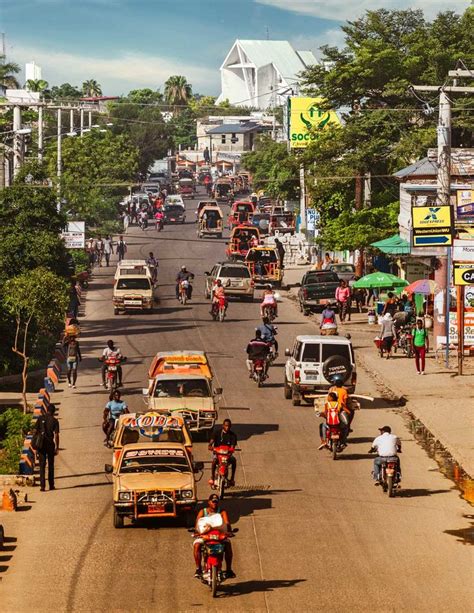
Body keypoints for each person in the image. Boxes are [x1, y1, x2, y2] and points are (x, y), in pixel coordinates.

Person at [193, 494, 235, 579]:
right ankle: (198, 569)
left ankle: (229, 570)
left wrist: (229, 531)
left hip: (219, 536)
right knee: (197, 545)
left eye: (216, 501)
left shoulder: (222, 512)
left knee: (228, 545)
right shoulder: (203, 511)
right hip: (205, 535)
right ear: (209, 502)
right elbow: (197, 524)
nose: (214, 503)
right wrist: (197, 532)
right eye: (213, 501)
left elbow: (227, 523)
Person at [34, 404, 59, 492]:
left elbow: (35, 431)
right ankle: (51, 485)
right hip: (50, 445)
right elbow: (56, 435)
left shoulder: (40, 418)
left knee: (42, 465)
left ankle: (42, 486)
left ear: (46, 410)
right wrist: (57, 447)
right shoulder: (55, 421)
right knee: (51, 465)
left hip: (41, 445)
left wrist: (36, 445)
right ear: (54, 412)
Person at [208, 419, 237, 486]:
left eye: (229, 426)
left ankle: (232, 478)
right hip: (218, 454)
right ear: (223, 425)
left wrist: (231, 450)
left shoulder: (233, 435)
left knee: (234, 460)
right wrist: (210, 446)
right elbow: (211, 441)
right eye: (226, 426)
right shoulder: (217, 433)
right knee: (214, 461)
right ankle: (212, 477)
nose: (227, 427)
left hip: (227, 455)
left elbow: (232, 446)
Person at [328, 375, 352, 443]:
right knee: (347, 421)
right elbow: (344, 402)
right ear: (342, 384)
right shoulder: (344, 391)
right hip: (340, 408)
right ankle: (346, 432)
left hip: (332, 408)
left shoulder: (332, 389)